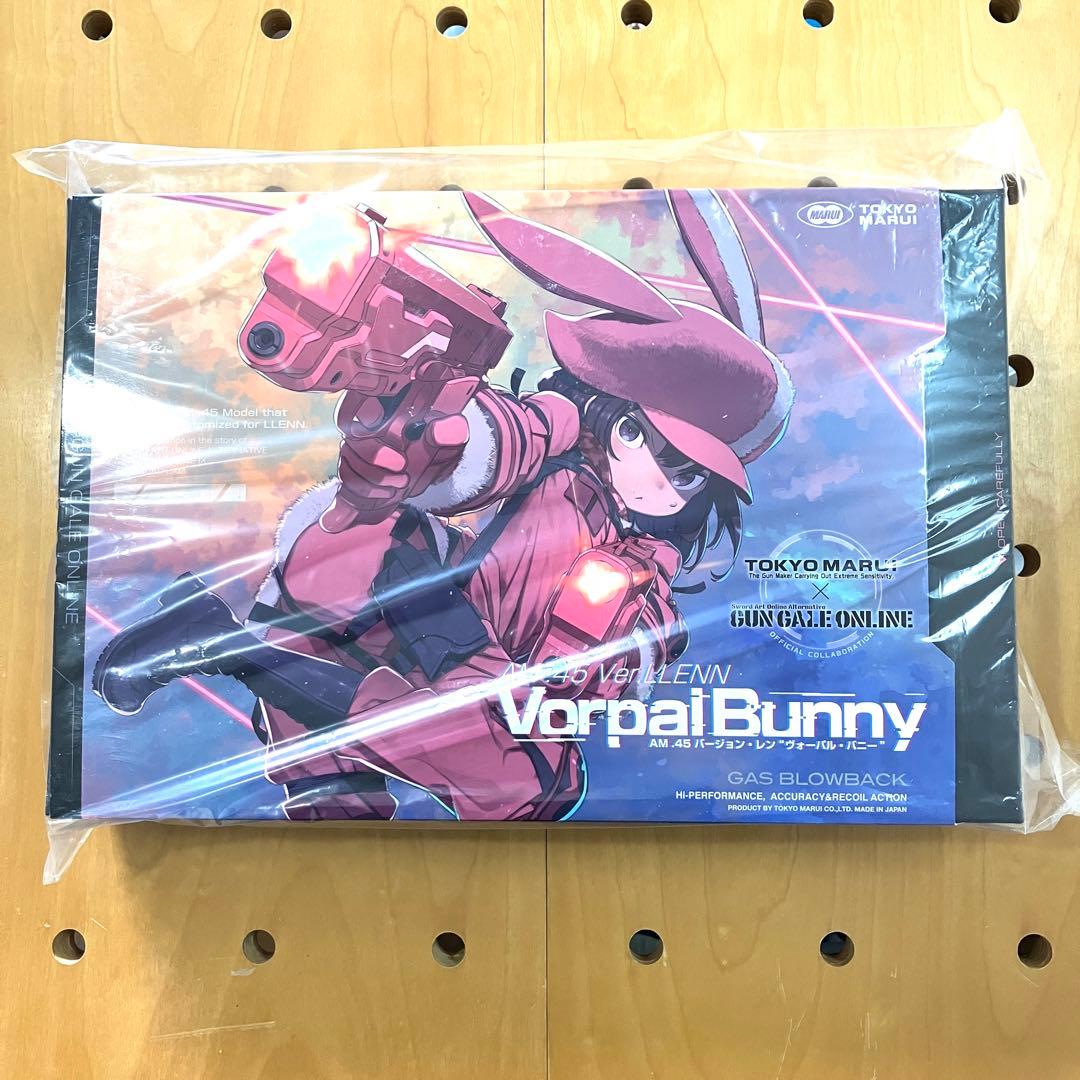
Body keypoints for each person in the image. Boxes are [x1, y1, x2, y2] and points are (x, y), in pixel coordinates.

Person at [93, 189, 793, 822]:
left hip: (474, 677)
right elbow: (510, 435)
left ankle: (231, 649)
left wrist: (603, 656)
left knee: (526, 786)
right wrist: (437, 440)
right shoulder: (564, 436)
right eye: (639, 435)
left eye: (685, 472)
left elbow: (603, 671)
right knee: (353, 560)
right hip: (414, 602)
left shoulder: (643, 571)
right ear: (614, 412)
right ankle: (250, 662)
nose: (656, 477)